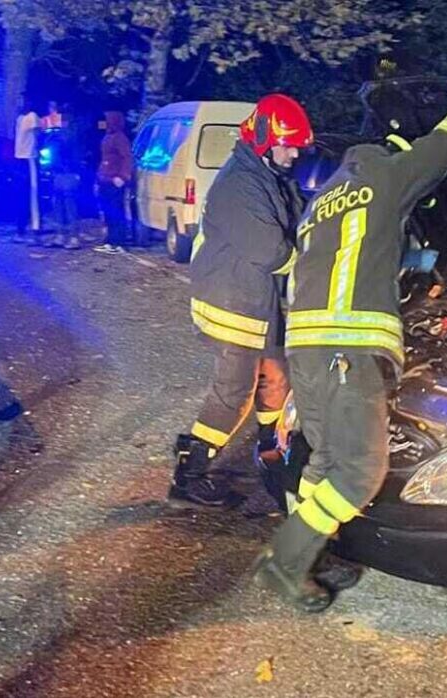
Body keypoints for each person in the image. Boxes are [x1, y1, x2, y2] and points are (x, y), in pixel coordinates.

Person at [253, 69, 447, 612]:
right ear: (396, 142)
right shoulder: (388, 172)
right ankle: (285, 563)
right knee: (359, 472)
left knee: (325, 459)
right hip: (348, 348)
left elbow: (350, 256)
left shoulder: (326, 198)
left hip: (306, 348)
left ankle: (312, 554)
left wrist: (420, 262)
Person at [172, 94, 313, 507]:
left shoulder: (268, 175)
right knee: (235, 392)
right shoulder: (240, 184)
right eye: (287, 144)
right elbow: (273, 252)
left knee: (277, 378)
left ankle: (270, 453)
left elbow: (299, 217)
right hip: (231, 304)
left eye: (296, 146)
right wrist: (315, 265)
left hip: (256, 301)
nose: (293, 153)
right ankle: (189, 471)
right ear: (265, 139)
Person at [93, 110, 133, 254]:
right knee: (108, 211)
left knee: (116, 211)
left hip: (115, 180)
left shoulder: (120, 138)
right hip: (106, 179)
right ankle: (110, 240)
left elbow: (127, 158)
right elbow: (105, 159)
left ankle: (119, 242)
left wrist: (122, 177)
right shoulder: (108, 137)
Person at [41, 113, 82, 250]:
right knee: (65, 203)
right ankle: (68, 235)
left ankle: (66, 235)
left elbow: (54, 152)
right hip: (66, 173)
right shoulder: (73, 136)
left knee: (63, 204)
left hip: (63, 173)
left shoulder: (63, 136)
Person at [11, 97, 42, 244]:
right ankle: (34, 228)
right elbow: (40, 133)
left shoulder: (23, 118)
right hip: (28, 158)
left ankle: (23, 229)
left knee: (23, 195)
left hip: (22, 158)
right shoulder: (31, 117)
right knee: (32, 195)